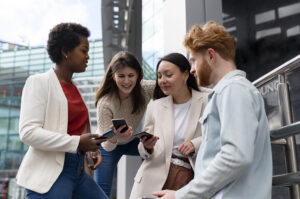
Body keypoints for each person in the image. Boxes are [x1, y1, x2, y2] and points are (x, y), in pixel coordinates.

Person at [153, 21, 272, 199]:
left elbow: (236, 156)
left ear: (210, 55)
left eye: (193, 60)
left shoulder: (234, 90)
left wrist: (181, 195)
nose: (192, 70)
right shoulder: (228, 92)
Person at [17, 23, 108, 199]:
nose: (87, 56)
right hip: (50, 173)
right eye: (84, 50)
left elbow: (74, 131)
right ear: (66, 51)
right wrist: (77, 142)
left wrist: (91, 151)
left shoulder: (75, 89)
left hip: (78, 169)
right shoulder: (39, 82)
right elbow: (28, 133)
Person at [130, 53, 210, 199]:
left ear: (185, 75)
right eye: (159, 76)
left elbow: (219, 135)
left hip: (189, 178)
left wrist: (195, 144)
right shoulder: (155, 106)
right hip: (152, 178)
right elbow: (143, 151)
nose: (162, 80)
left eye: (168, 75)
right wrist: (147, 146)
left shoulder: (207, 100)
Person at [94, 51, 155, 197]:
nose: (126, 81)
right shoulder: (105, 103)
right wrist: (114, 136)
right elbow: (106, 145)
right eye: (121, 76)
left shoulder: (144, 88)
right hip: (108, 145)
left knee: (158, 150)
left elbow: (170, 87)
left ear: (138, 75)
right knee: (101, 192)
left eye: (131, 75)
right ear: (113, 76)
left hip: (131, 141)